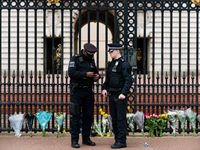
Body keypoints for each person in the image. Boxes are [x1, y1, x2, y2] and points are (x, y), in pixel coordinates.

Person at [68, 43, 99, 148]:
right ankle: (74, 140)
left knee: (88, 116)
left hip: (88, 91)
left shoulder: (91, 60)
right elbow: (71, 73)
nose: (91, 56)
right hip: (77, 91)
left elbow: (95, 71)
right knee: (76, 116)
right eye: (90, 54)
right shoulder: (75, 59)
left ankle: (86, 139)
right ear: (84, 51)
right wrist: (85, 74)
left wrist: (96, 76)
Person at [102, 43, 132, 149]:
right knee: (114, 118)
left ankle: (121, 141)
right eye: (109, 51)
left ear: (117, 51)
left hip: (120, 95)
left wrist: (123, 93)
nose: (109, 53)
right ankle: (117, 138)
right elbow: (108, 78)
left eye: (111, 51)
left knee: (120, 119)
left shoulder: (124, 64)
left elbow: (128, 80)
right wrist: (104, 88)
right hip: (111, 94)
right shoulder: (111, 64)